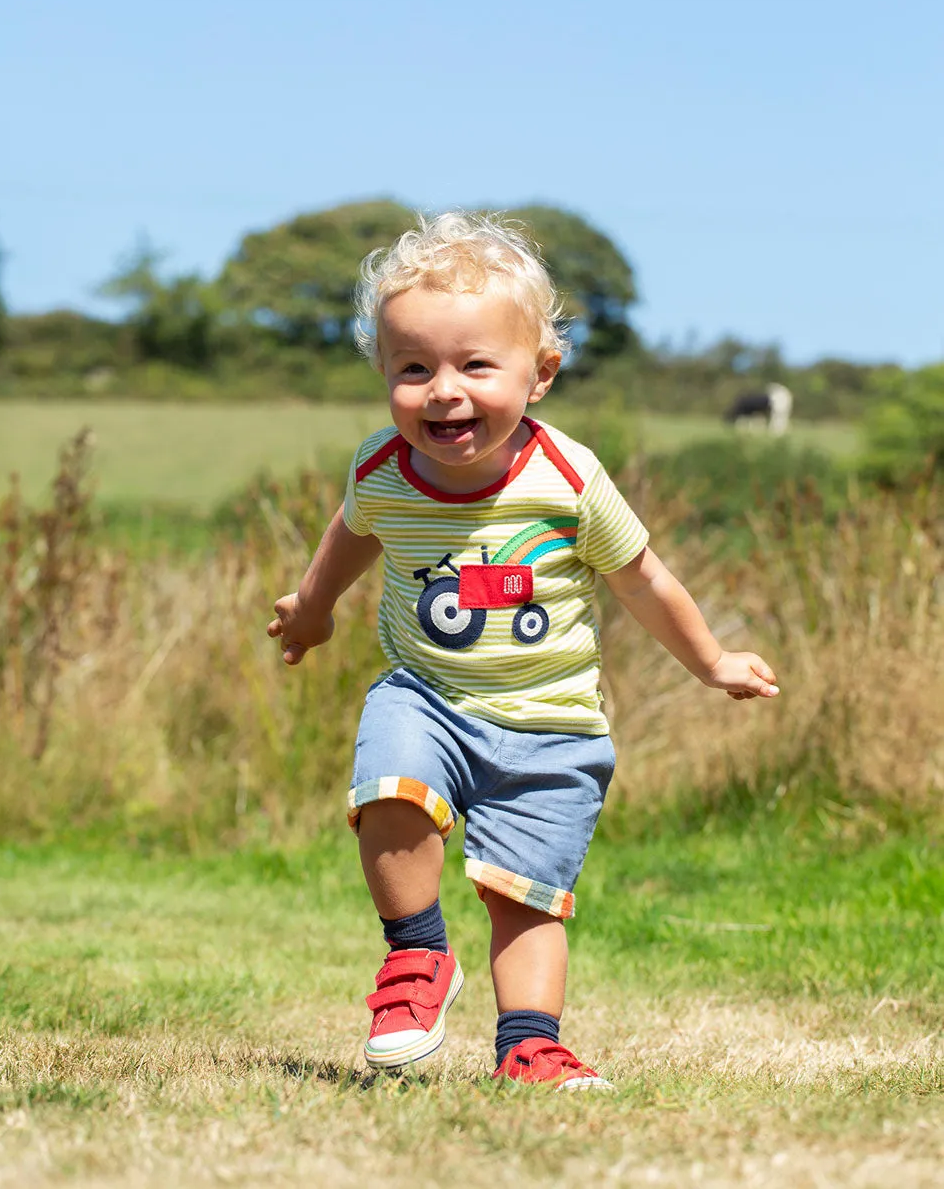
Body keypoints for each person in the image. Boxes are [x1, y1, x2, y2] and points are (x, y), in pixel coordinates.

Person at [268, 212, 779, 1090]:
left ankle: (530, 1046)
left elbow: (643, 580)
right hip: (426, 692)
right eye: (413, 368)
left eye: (475, 365)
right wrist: (312, 611)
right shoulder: (383, 469)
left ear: (539, 374)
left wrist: (712, 662)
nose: (443, 391)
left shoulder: (569, 479)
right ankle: (417, 958)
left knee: (526, 897)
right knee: (391, 790)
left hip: (552, 725)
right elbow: (351, 537)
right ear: (384, 374)